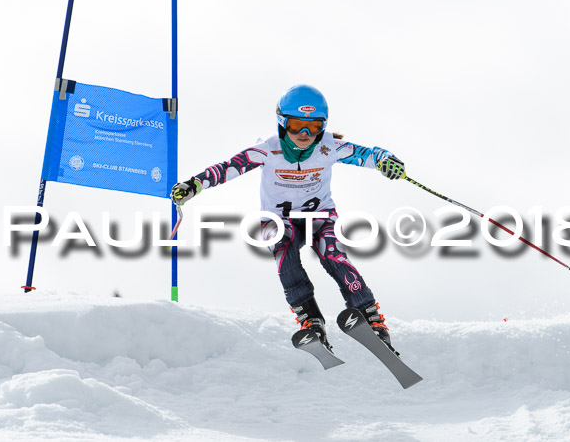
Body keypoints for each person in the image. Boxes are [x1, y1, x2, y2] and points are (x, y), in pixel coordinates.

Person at [171, 84, 406, 354]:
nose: (305, 134)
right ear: (282, 123)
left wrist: (387, 160)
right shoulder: (267, 149)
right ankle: (310, 319)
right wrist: (194, 185)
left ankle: (370, 317)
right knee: (285, 254)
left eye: (313, 127)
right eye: (296, 125)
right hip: (278, 220)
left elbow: (369, 155)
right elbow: (228, 168)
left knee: (333, 253)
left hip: (319, 216)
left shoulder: (329, 147)